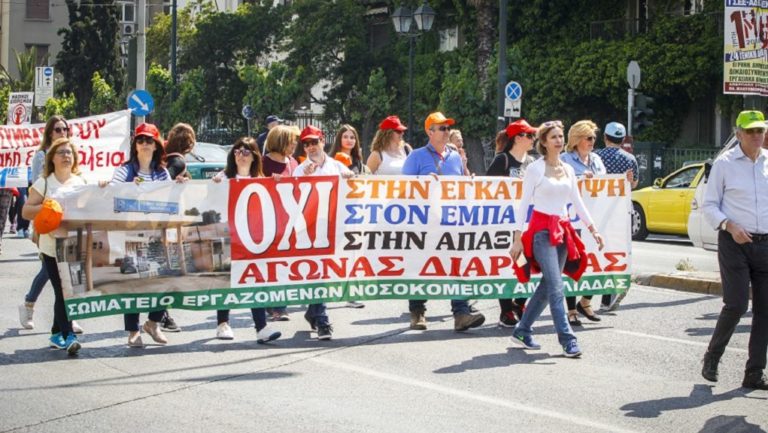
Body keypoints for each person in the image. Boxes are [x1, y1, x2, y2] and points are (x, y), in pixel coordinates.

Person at [509, 120, 605, 358]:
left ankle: (522, 329)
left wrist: (593, 229)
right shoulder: (536, 169)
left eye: (561, 136)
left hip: (563, 230)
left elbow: (577, 201)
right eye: (553, 137)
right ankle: (567, 339)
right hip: (541, 231)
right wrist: (518, 237)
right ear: (544, 142)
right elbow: (523, 204)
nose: (559, 140)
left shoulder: (569, 169)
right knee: (556, 287)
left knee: (547, 286)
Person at [700, 110, 768, 390]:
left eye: (760, 130)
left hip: (765, 244)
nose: (756, 136)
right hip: (734, 243)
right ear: (738, 134)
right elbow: (709, 205)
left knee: (765, 310)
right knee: (737, 304)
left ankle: (754, 372)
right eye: (750, 131)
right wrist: (729, 225)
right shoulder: (724, 164)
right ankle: (712, 356)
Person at [401, 112, 486, 332]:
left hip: (451, 222)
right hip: (424, 223)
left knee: (456, 264)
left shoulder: (455, 156)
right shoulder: (416, 157)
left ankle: (461, 313)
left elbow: (460, 186)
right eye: (442, 128)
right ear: (430, 132)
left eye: (448, 128)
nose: (447, 132)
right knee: (420, 266)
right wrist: (424, 184)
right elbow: (402, 189)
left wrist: (469, 182)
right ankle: (417, 311)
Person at [212, 137, 282, 343]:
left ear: (254, 156)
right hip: (228, 237)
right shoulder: (223, 178)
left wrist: (279, 184)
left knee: (255, 281)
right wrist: (214, 186)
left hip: (253, 239)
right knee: (227, 281)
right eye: (237, 151)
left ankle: (261, 328)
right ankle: (222, 324)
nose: (240, 155)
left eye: (245, 152)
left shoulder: (262, 180)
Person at [110, 123, 173, 348]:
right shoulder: (124, 170)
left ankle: (154, 322)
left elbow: (170, 198)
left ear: (157, 145)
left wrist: (180, 186)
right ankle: (133, 330)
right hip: (131, 234)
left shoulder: (162, 172)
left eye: (149, 140)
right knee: (133, 283)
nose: (145, 144)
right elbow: (114, 190)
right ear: (134, 145)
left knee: (165, 279)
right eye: (140, 140)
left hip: (156, 235)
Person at [18, 116, 82, 334]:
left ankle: (60, 326)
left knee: (66, 286)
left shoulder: (80, 180)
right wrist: (47, 206)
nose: (62, 131)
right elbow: (30, 204)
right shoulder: (43, 165)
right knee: (56, 279)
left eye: (65, 128)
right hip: (48, 234)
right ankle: (59, 326)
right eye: (57, 129)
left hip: (72, 241)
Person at [291, 125, 354, 340]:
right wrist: (302, 178)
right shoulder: (300, 169)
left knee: (324, 273)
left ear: (322, 142)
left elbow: (352, 186)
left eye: (313, 142)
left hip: (332, 227)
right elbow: (292, 197)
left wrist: (349, 178)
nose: (310, 147)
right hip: (309, 229)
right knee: (317, 272)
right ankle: (323, 321)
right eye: (306, 144)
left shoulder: (336, 166)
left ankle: (314, 312)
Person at [486, 119, 537, 327]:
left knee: (529, 264)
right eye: (530, 135)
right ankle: (506, 310)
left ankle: (520, 301)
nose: (534, 139)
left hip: (527, 222)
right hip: (505, 222)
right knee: (508, 265)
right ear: (518, 138)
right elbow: (487, 188)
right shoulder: (502, 160)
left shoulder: (532, 162)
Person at [560, 120, 606, 326]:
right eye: (588, 138)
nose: (592, 141)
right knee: (572, 260)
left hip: (596, 216)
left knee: (600, 259)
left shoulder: (596, 159)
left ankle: (586, 301)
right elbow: (560, 182)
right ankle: (571, 310)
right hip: (572, 217)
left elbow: (607, 183)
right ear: (577, 140)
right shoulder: (565, 159)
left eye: (594, 138)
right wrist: (580, 178)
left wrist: (626, 181)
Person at [594, 121, 637, 311]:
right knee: (616, 252)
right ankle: (609, 295)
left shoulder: (596, 157)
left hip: (598, 210)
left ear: (605, 137)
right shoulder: (630, 159)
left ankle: (585, 295)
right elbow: (633, 184)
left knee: (597, 253)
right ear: (622, 139)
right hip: (621, 212)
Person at [261, 124, 301, 322]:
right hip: (268, 220)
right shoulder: (263, 162)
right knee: (272, 264)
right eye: (291, 140)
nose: (294, 144)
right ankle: (276, 307)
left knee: (284, 264)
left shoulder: (292, 161)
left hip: (288, 220)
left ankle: (278, 304)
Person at [329, 124, 367, 308]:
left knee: (353, 252)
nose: (349, 140)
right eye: (345, 136)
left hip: (356, 212)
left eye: (352, 137)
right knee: (336, 253)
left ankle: (351, 292)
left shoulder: (358, 161)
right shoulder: (331, 161)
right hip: (337, 212)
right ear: (339, 139)